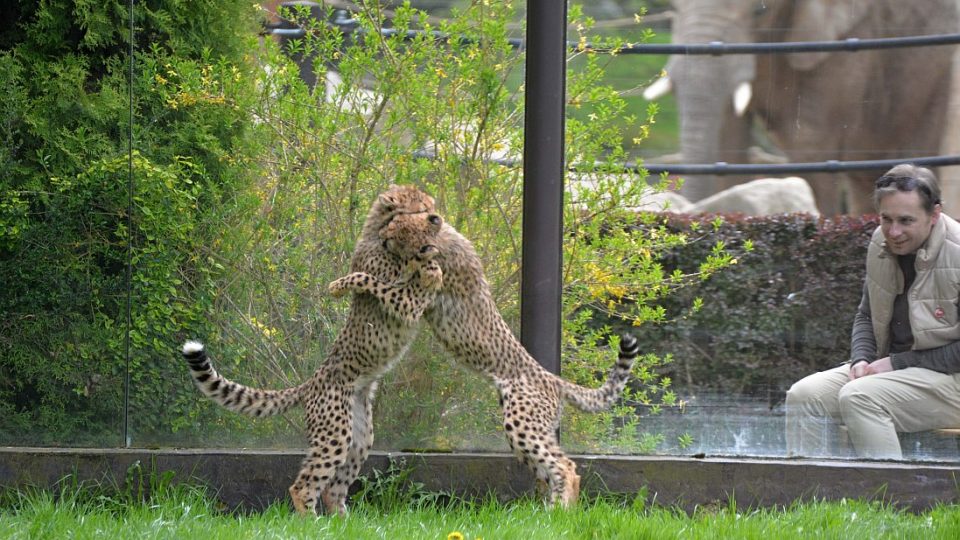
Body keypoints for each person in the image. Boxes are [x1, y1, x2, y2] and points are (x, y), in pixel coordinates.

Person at [785, 164, 960, 459]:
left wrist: (898, 363)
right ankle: (809, 497)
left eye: (906, 220)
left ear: (935, 214)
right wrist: (862, 357)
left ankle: (889, 499)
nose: (894, 232)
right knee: (803, 396)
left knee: (860, 398)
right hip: (894, 370)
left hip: (951, 378)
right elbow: (866, 314)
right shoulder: (880, 243)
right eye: (886, 219)